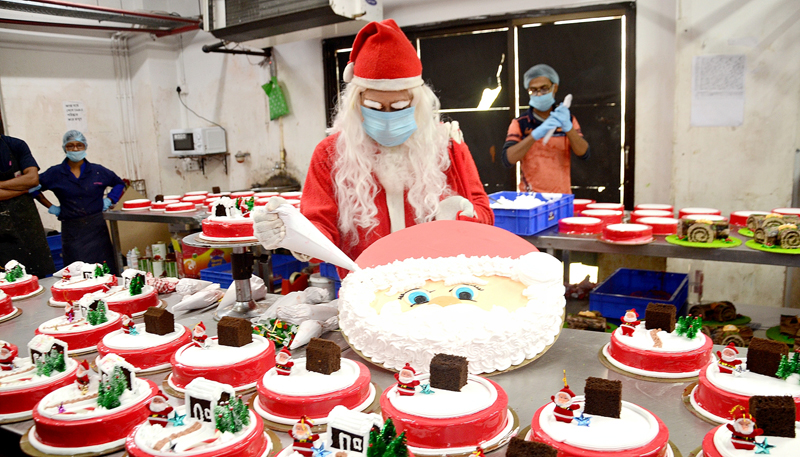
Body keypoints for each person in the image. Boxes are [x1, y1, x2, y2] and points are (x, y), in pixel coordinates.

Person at [254, 19, 493, 263]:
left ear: (418, 103)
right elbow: (321, 228)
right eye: (375, 107)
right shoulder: (331, 154)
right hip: (365, 288)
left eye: (400, 106)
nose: (388, 116)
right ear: (356, 103)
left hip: (436, 286)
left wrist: (462, 216)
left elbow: (485, 216)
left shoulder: (446, 146)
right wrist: (295, 235)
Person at [36, 131, 124, 275]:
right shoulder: (55, 173)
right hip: (72, 231)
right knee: (77, 274)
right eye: (71, 146)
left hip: (97, 229)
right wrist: (50, 206)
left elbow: (119, 183)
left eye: (79, 145)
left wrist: (110, 200)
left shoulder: (97, 171)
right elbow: (33, 188)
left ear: (85, 147)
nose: (75, 149)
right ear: (65, 148)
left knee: (105, 271)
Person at [502, 64, 589, 193]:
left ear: (555, 88)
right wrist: (534, 135)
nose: (539, 94)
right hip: (530, 199)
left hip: (561, 197)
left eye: (544, 89)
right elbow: (508, 159)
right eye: (533, 90)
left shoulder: (568, 119)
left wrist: (568, 128)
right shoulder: (520, 123)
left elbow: (584, 153)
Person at [0, 133, 56, 278]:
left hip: (27, 226)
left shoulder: (16, 145)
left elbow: (32, 179)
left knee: (39, 280)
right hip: (2, 237)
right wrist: (23, 189)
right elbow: (28, 184)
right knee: (8, 284)